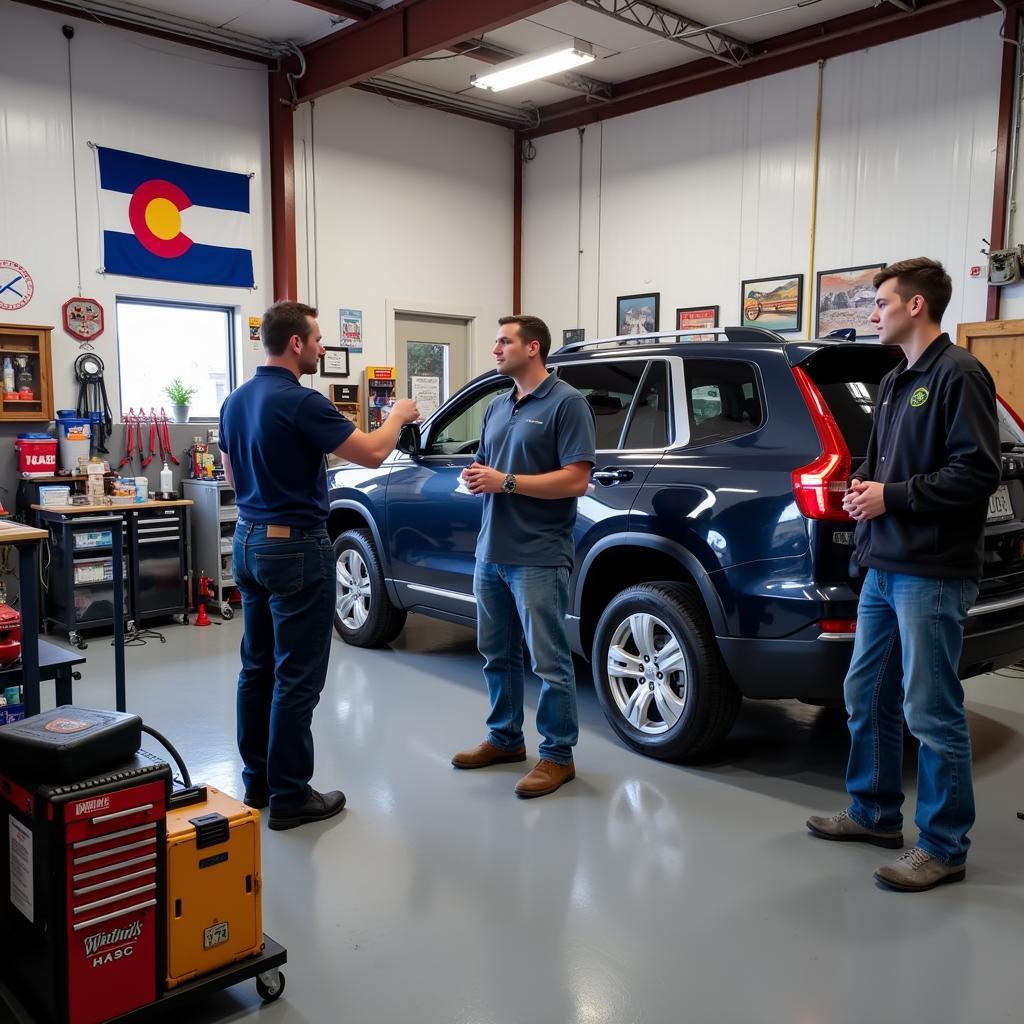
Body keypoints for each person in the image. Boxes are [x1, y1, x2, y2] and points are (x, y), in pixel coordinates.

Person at [806, 258, 1001, 891]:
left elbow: (977, 472)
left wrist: (893, 497)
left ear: (915, 306)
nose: (873, 313)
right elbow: (884, 468)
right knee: (865, 693)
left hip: (932, 572)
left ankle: (944, 845)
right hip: (883, 568)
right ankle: (873, 813)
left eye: (882, 302)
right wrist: (868, 504)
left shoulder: (960, 375)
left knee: (930, 707)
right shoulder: (894, 381)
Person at [219, 302, 419, 831]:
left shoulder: (236, 400)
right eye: (318, 340)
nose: (324, 348)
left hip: (247, 541)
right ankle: (291, 795)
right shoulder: (301, 401)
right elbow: (373, 454)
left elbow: (232, 473)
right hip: (295, 548)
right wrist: (397, 415)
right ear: (295, 345)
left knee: (256, 666)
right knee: (297, 676)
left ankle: (258, 782)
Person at [451, 315, 596, 798]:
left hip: (538, 554)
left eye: (503, 341)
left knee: (548, 660)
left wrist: (507, 482)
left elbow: (577, 479)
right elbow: (493, 468)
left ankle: (558, 755)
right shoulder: (496, 406)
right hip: (491, 549)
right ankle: (505, 738)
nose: (495, 349)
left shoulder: (566, 403)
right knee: (495, 653)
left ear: (533, 348)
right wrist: (481, 477)